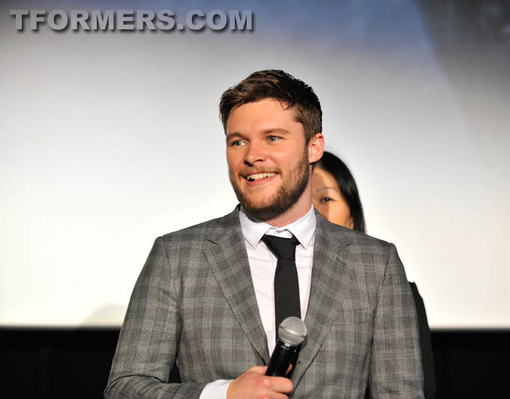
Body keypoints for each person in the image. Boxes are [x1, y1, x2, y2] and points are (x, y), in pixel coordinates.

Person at [105, 70, 424, 398]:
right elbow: (125, 388)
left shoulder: (376, 264)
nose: (252, 156)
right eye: (238, 141)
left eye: (272, 137)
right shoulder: (178, 257)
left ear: (314, 147)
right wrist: (224, 395)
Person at [312, 151, 436, 398]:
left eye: (325, 199)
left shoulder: (396, 293)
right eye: (304, 201)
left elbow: (416, 389)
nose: (314, 211)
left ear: (352, 217)